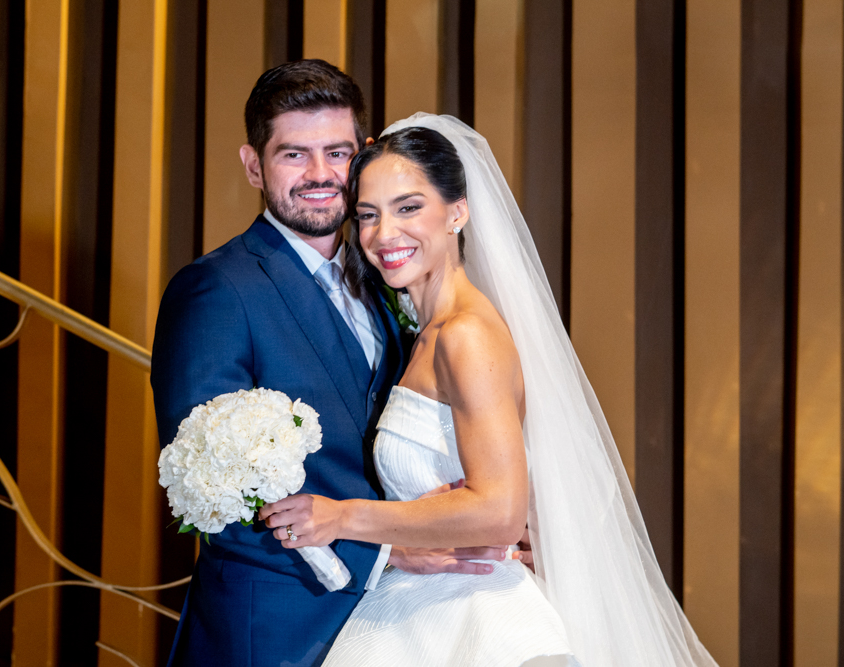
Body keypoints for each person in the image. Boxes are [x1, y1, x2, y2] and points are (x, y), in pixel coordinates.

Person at [259, 115, 721, 667]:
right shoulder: (424, 334)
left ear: (457, 212)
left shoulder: (466, 336)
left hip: (478, 620)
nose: (384, 234)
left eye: (408, 208)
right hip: (425, 612)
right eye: (368, 215)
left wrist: (342, 517)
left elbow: (500, 511)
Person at [151, 62, 505, 667]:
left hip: (403, 623)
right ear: (253, 165)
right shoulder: (215, 291)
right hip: (275, 632)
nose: (320, 174)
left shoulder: (390, 278)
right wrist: (387, 551)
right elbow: (211, 493)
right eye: (294, 155)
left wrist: (490, 518)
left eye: (337, 153)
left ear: (360, 156)